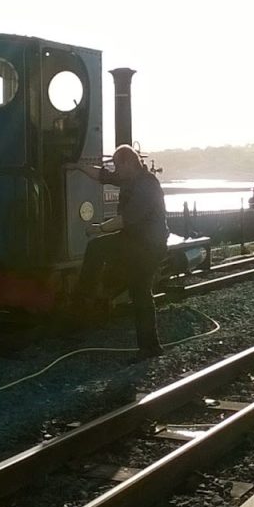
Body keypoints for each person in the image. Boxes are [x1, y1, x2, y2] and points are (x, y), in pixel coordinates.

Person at [71, 144, 169, 357]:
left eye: (117, 164)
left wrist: (99, 228)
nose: (115, 169)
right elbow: (102, 176)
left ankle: (83, 298)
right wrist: (78, 167)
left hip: (148, 246)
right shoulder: (129, 177)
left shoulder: (146, 185)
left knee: (99, 248)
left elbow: (126, 220)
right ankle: (150, 347)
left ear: (128, 163)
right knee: (140, 293)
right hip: (136, 241)